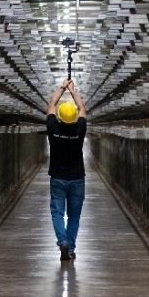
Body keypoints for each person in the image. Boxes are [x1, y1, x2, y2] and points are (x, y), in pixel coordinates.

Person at [46, 79, 87, 261]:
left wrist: (62, 88)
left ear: (61, 117)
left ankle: (62, 242)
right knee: (74, 216)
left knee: (57, 212)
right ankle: (69, 249)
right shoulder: (79, 130)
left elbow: (51, 105)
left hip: (57, 179)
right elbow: (82, 108)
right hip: (77, 179)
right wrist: (73, 91)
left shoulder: (53, 128)